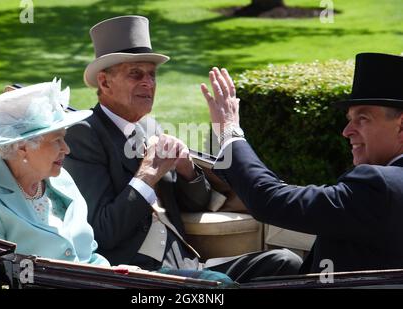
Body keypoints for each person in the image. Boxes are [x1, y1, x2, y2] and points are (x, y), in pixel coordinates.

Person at [64, 15, 302, 283]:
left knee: (285, 261)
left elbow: (195, 203)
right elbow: (103, 231)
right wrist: (148, 174)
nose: (149, 83)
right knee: (218, 285)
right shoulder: (83, 134)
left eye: (152, 75)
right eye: (136, 74)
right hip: (135, 274)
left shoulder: (150, 128)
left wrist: (188, 171)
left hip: (188, 262)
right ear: (105, 82)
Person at [201, 52, 403, 273]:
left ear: (400, 125)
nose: (347, 131)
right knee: (282, 262)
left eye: (362, 119)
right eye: (349, 120)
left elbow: (269, 199)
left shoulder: (380, 186)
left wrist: (229, 132)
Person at [0, 78, 109, 267]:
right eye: (56, 141)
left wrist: (118, 274)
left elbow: (88, 255)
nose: (66, 149)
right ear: (22, 148)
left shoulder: (62, 180)